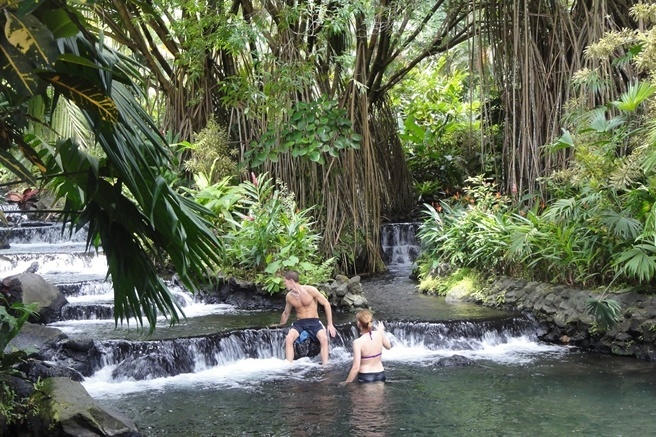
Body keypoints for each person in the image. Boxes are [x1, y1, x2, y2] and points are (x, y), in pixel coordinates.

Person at [276, 270, 336, 364]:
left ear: (291, 281)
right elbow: (286, 313)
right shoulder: (289, 296)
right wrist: (281, 324)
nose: (284, 284)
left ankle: (325, 365)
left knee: (323, 339)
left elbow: (326, 304)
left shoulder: (310, 290)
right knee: (289, 339)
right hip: (300, 323)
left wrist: (330, 324)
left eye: (285, 281)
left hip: (314, 322)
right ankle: (289, 365)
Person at [342, 309, 391, 383]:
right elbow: (388, 347)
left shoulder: (357, 342)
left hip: (366, 376)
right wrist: (381, 332)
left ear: (358, 323)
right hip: (380, 374)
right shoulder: (379, 334)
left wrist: (346, 382)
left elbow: (356, 368)